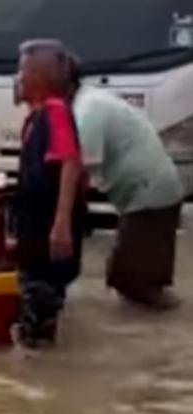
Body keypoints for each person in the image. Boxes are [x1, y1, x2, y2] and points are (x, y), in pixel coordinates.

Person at [68, 55, 185, 309]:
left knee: (133, 279)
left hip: (149, 194)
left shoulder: (88, 109)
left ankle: (158, 311)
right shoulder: (91, 100)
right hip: (152, 191)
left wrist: (65, 212)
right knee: (133, 272)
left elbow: (82, 167)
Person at [12, 39, 87, 350]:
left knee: (39, 310)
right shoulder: (38, 116)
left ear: (38, 76)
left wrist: (61, 223)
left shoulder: (55, 111)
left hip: (48, 229)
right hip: (37, 227)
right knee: (34, 307)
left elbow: (71, 162)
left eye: (22, 71)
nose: (17, 78)